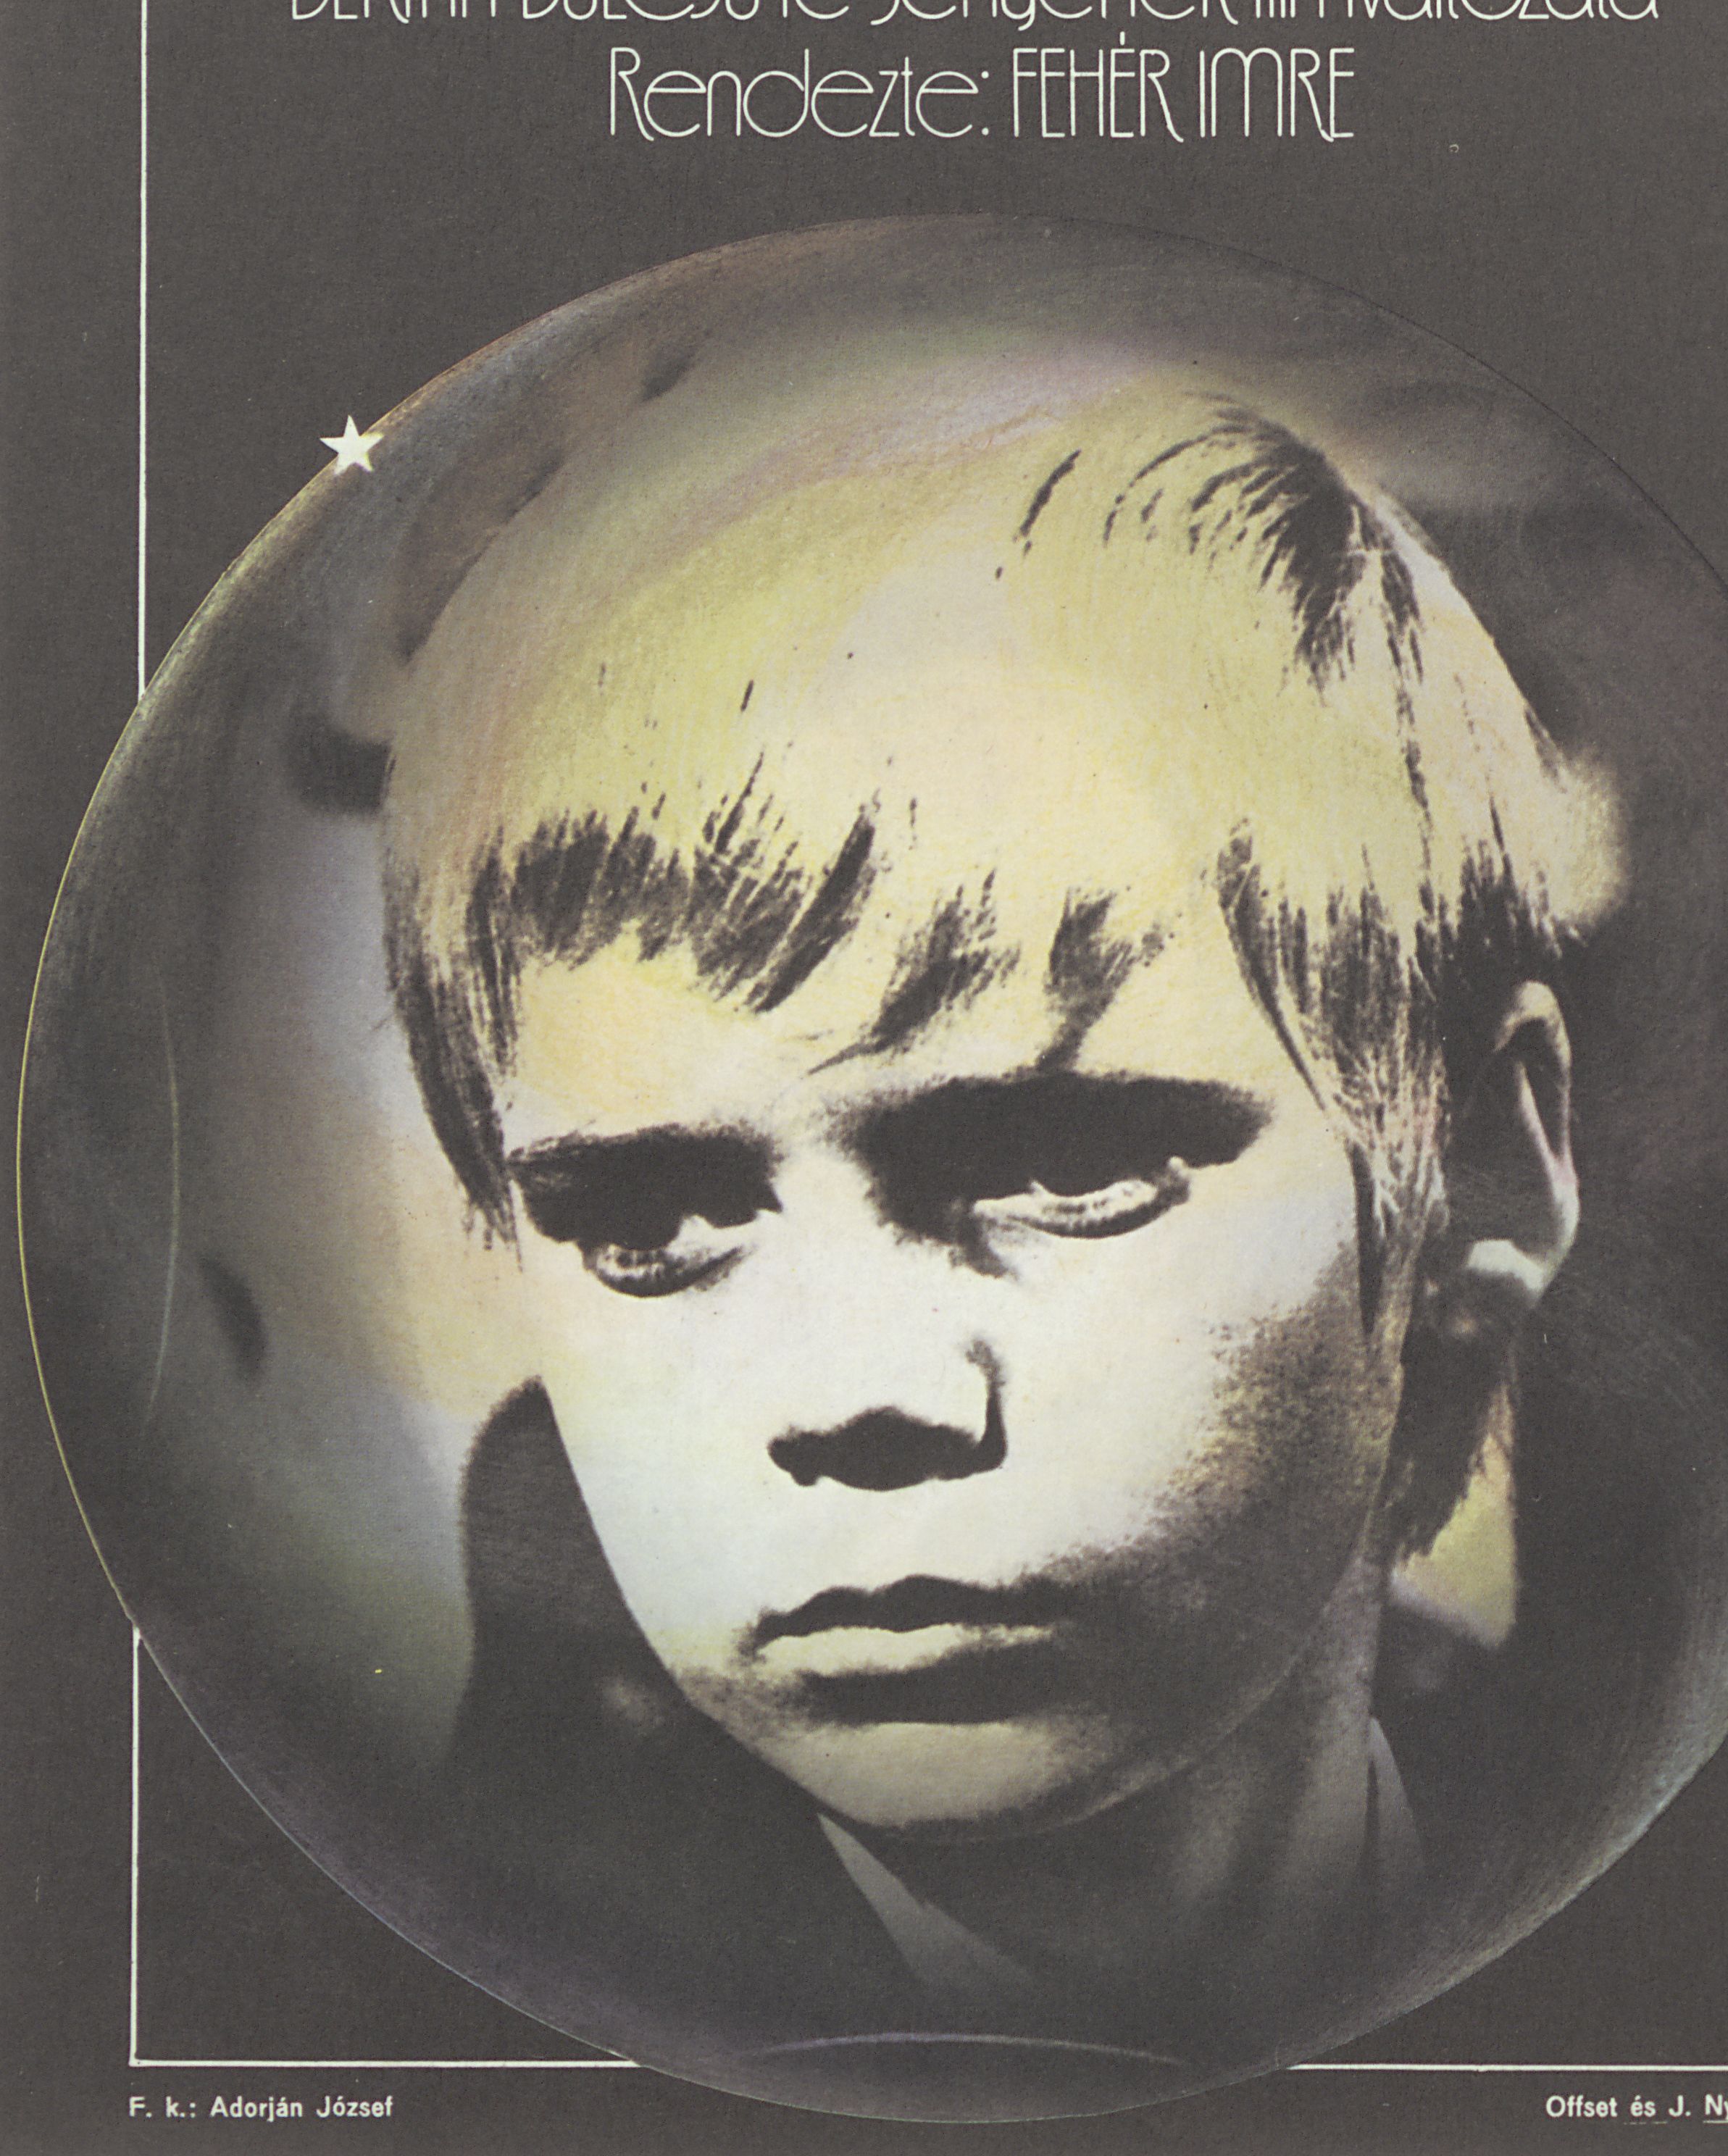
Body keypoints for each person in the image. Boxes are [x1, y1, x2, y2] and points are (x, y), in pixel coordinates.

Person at [377, 360, 1619, 2106]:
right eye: (646, 1220)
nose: (853, 1393)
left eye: (1056, 1164)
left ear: (1484, 1170)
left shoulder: (1663, 1947)